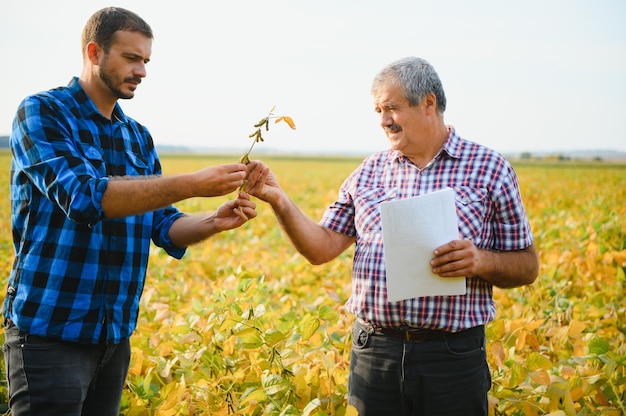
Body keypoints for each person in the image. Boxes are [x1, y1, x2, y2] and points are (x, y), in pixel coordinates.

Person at [245, 56, 539, 415]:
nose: (384, 120)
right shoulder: (368, 172)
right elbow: (320, 248)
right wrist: (278, 199)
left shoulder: (490, 168)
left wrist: (480, 260)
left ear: (428, 104)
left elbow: (527, 266)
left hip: (453, 356)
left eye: (392, 108)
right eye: (378, 110)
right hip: (374, 351)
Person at [2, 7, 257, 416]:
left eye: (146, 61)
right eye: (131, 58)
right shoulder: (41, 113)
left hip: (114, 334)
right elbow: (83, 198)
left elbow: (163, 224)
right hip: (51, 332)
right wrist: (192, 184)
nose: (141, 71)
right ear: (94, 52)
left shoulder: (137, 137)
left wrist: (214, 221)